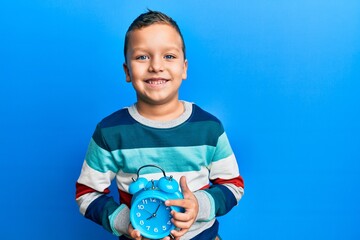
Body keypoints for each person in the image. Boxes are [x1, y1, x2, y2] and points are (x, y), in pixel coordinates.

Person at [75, 10, 244, 240]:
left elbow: (233, 185)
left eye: (169, 56)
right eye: (142, 57)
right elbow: (87, 193)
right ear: (127, 71)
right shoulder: (110, 132)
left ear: (184, 68)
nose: (156, 66)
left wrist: (199, 205)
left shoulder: (209, 128)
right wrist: (126, 222)